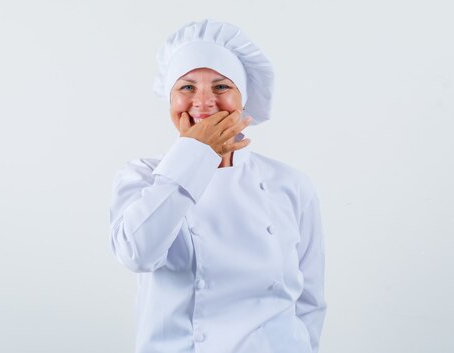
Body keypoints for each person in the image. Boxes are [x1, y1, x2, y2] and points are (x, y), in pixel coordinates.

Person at [109, 19, 326, 353]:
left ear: (244, 99)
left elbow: (310, 302)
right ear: (170, 99)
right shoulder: (142, 176)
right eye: (187, 88)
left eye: (222, 87)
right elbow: (137, 253)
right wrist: (195, 155)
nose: (204, 102)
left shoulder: (289, 184)